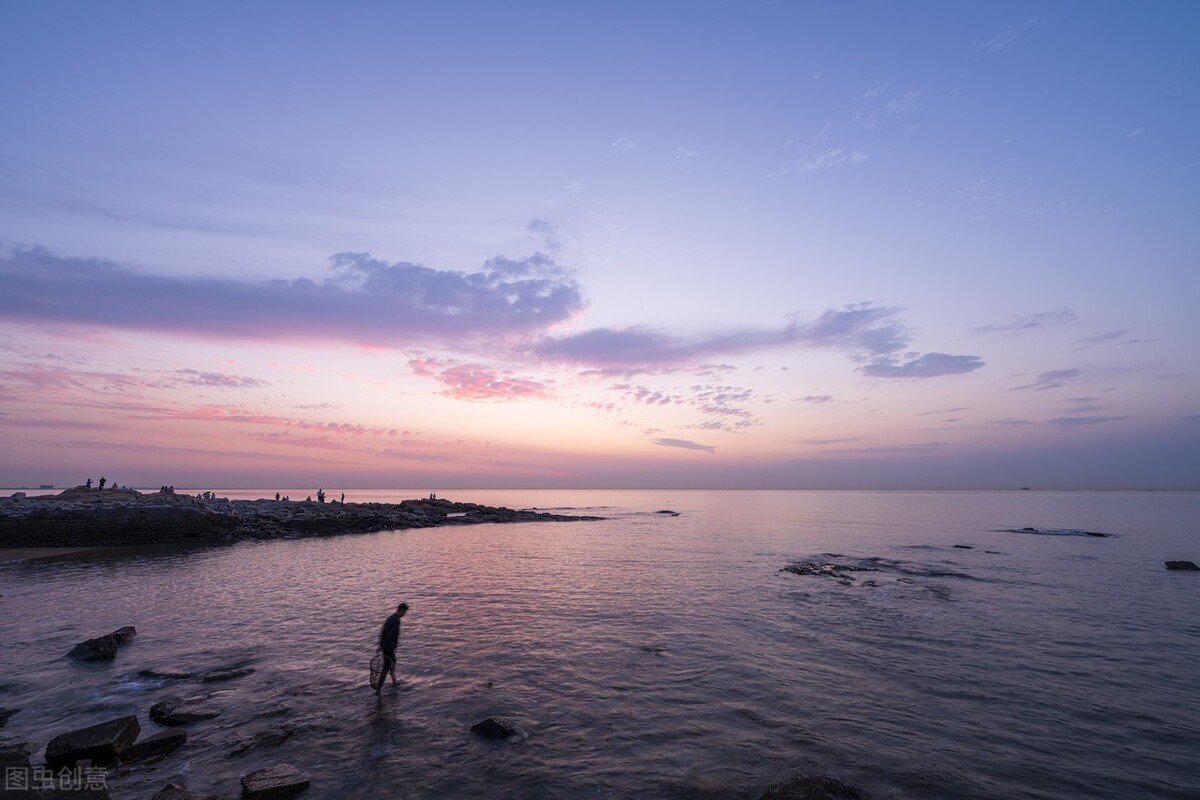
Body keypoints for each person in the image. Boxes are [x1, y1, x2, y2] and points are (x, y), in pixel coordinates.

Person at [376, 602, 408, 694]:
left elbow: (383, 631)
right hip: (388, 648)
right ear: (401, 610)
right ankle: (378, 690)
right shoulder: (396, 620)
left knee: (393, 663)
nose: (405, 614)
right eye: (405, 612)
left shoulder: (390, 618)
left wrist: (380, 644)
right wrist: (382, 646)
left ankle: (394, 682)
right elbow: (390, 634)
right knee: (386, 668)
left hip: (387, 647)